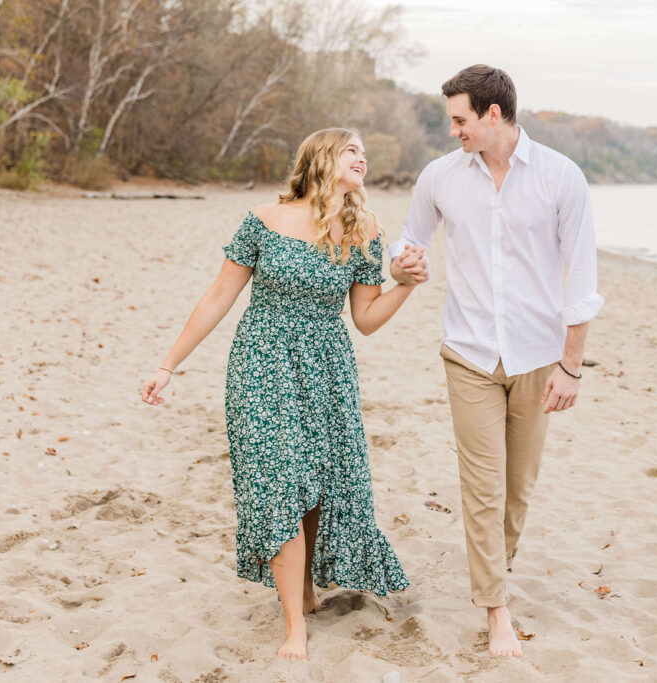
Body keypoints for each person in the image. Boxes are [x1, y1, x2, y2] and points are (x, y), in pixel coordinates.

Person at [141, 128, 429, 661]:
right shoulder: (263, 220)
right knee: (278, 483)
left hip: (327, 371)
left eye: (364, 152)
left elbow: (365, 319)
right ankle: (294, 623)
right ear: (322, 158)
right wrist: (168, 365)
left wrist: (406, 285)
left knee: (317, 483)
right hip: (261, 364)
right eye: (352, 150)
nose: (362, 158)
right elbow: (218, 296)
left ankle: (306, 590)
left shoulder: (362, 229)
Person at [389, 65, 604, 657]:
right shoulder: (440, 177)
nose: (453, 130)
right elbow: (409, 241)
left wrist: (571, 364)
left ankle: (494, 572)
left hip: (538, 357)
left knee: (518, 490)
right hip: (469, 353)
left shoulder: (562, 178)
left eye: (460, 119)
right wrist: (402, 265)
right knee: (482, 487)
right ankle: (496, 609)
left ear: (493, 115)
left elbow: (582, 279)